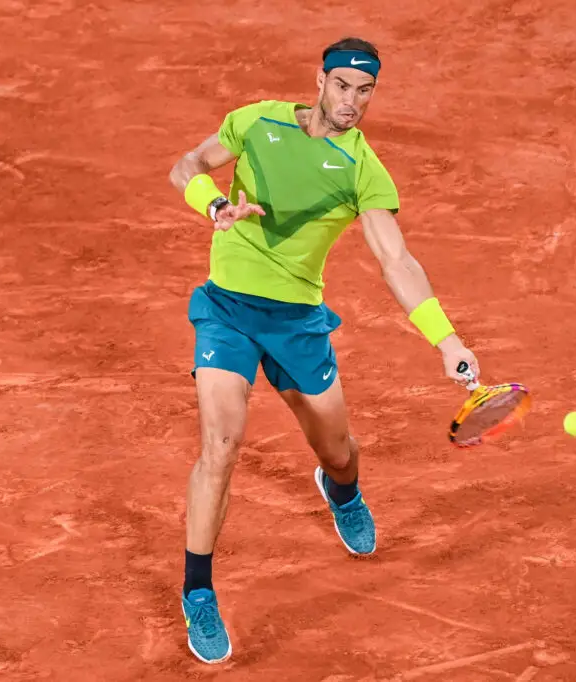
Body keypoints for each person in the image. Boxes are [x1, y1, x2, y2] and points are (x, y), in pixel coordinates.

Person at [167, 36, 480, 664]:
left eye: (365, 91)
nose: (351, 102)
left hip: (298, 325)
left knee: (338, 452)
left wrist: (446, 339)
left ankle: (342, 492)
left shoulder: (363, 168)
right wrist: (217, 204)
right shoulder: (257, 122)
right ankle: (198, 590)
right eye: (342, 86)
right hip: (227, 312)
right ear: (320, 80)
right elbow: (188, 166)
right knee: (221, 445)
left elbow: (396, 259)